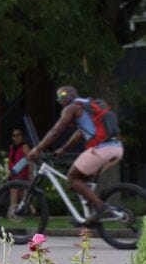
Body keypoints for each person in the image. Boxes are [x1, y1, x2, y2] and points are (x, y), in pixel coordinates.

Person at [27, 85, 123, 224]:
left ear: (71, 95)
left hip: (101, 149)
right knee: (80, 182)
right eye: (58, 97)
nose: (59, 100)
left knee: (72, 178)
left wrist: (37, 148)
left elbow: (55, 131)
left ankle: (101, 208)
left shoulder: (71, 108)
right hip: (116, 148)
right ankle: (90, 216)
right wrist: (64, 149)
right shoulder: (87, 105)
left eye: (61, 96)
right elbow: (80, 133)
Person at [7, 127, 31, 218]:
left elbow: (29, 159)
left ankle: (12, 212)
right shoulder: (12, 147)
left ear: (22, 136)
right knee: (21, 193)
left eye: (18, 135)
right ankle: (33, 211)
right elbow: (11, 160)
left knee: (14, 190)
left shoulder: (24, 146)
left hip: (21, 173)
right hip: (14, 173)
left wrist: (30, 173)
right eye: (14, 136)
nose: (16, 138)